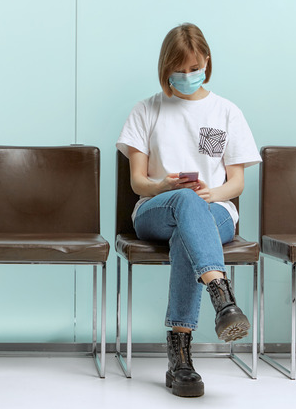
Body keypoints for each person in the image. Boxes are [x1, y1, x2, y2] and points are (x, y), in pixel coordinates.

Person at [116, 23, 261, 398]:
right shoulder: (146, 110)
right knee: (184, 202)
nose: (186, 76)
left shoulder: (226, 111)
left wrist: (212, 193)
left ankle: (180, 358)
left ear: (206, 63)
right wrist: (164, 184)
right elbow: (137, 182)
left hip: (214, 211)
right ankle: (221, 295)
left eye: (193, 67)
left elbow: (236, 183)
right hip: (156, 208)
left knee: (188, 229)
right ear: (166, 68)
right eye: (178, 70)